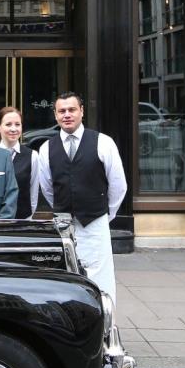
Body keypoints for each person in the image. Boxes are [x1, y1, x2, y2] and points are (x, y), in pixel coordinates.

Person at [35, 91, 127, 302]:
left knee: (100, 280)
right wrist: (64, 210)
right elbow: (48, 188)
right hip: (63, 225)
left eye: (72, 110)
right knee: (66, 276)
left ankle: (104, 325)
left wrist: (104, 214)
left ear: (82, 111)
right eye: (62, 111)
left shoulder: (103, 143)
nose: (67, 114)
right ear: (56, 115)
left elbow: (118, 185)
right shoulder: (46, 148)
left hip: (95, 223)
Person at [0, 106, 41, 219]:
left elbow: (33, 193)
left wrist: (29, 217)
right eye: (8, 124)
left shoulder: (32, 156)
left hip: (23, 220)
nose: (13, 129)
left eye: (17, 124)